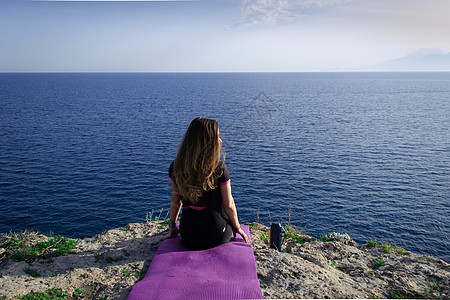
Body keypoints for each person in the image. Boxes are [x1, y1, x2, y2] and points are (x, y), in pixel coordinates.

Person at [164, 117, 249, 250]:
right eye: (217, 137)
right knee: (221, 208)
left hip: (188, 235)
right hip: (217, 235)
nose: (220, 140)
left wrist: (173, 227)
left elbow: (176, 200)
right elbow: (229, 205)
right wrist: (237, 228)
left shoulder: (176, 167)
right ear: (207, 142)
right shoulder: (219, 169)